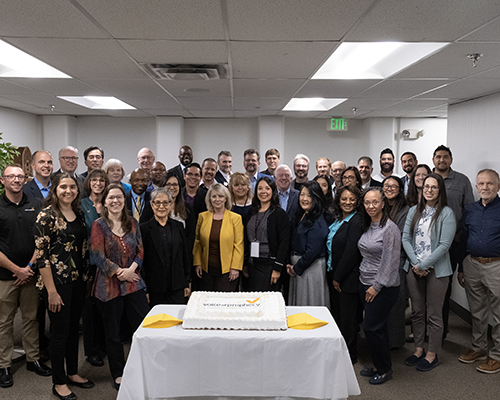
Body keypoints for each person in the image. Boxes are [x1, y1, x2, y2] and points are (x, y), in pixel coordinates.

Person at [34, 173, 93, 399]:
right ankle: (58, 382)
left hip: (78, 281)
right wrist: (51, 292)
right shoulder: (46, 216)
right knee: (59, 333)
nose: (69, 191)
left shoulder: (77, 213)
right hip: (57, 285)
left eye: (72, 187)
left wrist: (86, 278)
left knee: (72, 332)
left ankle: (73, 373)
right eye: (63, 187)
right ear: (55, 189)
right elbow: (42, 257)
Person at [91, 184, 149, 390]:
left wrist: (131, 269)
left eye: (119, 197)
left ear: (124, 201)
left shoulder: (132, 222)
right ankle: (118, 372)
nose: (115, 201)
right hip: (109, 286)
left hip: (133, 282)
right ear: (104, 202)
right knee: (113, 333)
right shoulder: (98, 225)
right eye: (111, 198)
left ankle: (143, 367)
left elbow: (140, 251)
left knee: (142, 328)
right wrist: (119, 272)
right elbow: (97, 255)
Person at [0, 164, 50, 389]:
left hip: (30, 274)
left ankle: (33, 359)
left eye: (20, 177)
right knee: (4, 322)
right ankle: (4, 365)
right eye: (12, 176)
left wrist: (28, 267)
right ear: (3, 180)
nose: (17, 180)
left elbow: (41, 240)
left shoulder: (36, 204)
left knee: (31, 319)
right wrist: (16, 269)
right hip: (5, 276)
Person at [402, 173, 456, 372]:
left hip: (437, 271)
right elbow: (405, 238)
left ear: (440, 190)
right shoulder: (414, 211)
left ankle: (432, 354)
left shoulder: (446, 213)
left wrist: (425, 265)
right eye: (426, 186)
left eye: (434, 187)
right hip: (414, 269)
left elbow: (444, 246)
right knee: (417, 312)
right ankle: (418, 349)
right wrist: (416, 263)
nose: (429, 190)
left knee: (434, 314)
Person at [457, 169, 500, 374]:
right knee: (477, 311)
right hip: (472, 264)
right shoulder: (471, 210)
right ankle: (479, 348)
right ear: (476, 187)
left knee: (499, 314)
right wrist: (461, 267)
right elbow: (463, 238)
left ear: (498, 186)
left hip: (496, 266)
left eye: (490, 184)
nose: (485, 187)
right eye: (481, 184)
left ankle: (497, 356)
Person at [358, 187, 401, 385]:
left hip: (382, 287)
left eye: (375, 202)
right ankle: (378, 365)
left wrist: (376, 286)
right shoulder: (369, 224)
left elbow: (390, 262)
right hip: (365, 282)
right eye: (367, 202)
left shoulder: (390, 229)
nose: (371, 206)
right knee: (378, 327)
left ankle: (384, 370)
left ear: (383, 203)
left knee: (372, 327)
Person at [432, 145, 474, 340]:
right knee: (426, 285)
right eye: (438, 157)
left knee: (444, 286)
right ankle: (424, 329)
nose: (442, 160)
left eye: (445, 157)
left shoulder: (462, 180)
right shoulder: (428, 179)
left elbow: (468, 212)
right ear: (433, 159)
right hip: (429, 242)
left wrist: (460, 234)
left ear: (451, 159)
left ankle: (441, 331)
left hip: (453, 242)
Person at [326, 184, 363, 364]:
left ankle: (350, 355)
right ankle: (340, 351)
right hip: (335, 274)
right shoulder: (339, 219)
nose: (347, 202)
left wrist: (337, 277)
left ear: (357, 201)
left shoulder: (357, 220)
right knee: (339, 316)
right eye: (344, 199)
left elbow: (351, 252)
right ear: (338, 200)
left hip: (347, 278)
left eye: (352, 199)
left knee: (348, 320)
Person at [140, 188, 191, 307]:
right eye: (157, 202)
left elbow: (185, 256)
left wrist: (186, 282)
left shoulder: (178, 226)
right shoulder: (143, 229)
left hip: (177, 285)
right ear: (152, 205)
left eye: (165, 202)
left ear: (170, 205)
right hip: (154, 287)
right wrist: (145, 289)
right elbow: (142, 261)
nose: (161, 206)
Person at [81, 169, 109, 367]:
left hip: (109, 264)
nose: (98, 183)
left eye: (101, 180)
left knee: (105, 307)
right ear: (89, 183)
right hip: (89, 264)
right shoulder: (81, 205)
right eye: (94, 180)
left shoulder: (110, 203)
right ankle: (91, 351)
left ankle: (104, 346)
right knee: (90, 310)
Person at [193, 184, 244, 292]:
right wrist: (197, 263)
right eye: (214, 196)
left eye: (220, 196)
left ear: (226, 198)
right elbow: (197, 242)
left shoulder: (235, 218)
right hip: (206, 270)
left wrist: (235, 267)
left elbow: (238, 244)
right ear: (209, 198)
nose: (217, 199)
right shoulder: (202, 217)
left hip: (227, 271)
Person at [287, 181, 329, 307]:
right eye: (302, 194)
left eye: (309, 195)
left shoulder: (318, 220)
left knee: (309, 303)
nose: (304, 199)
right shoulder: (302, 215)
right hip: (299, 267)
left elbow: (313, 251)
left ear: (316, 198)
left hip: (310, 268)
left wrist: (296, 268)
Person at [246, 177, 290, 291]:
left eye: (267, 188)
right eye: (260, 188)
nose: (263, 192)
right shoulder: (251, 212)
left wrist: (277, 268)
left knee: (267, 301)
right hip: (252, 264)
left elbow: (284, 242)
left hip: (270, 265)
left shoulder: (279, 214)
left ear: (273, 191)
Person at [382, 175, 410, 349]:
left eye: (393, 186)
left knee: (396, 304)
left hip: (397, 261)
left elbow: (398, 238)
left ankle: (395, 342)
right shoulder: (380, 207)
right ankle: (382, 340)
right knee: (382, 304)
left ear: (400, 190)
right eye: (386, 185)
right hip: (379, 261)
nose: (389, 188)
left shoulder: (406, 211)